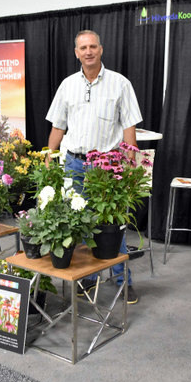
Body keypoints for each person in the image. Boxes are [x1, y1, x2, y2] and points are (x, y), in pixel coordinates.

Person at [45, 30, 141, 304]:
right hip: (75, 163)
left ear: (101, 49)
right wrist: (49, 155)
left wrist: (130, 164)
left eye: (93, 46)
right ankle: (88, 279)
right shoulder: (67, 85)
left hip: (107, 166)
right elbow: (58, 126)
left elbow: (129, 127)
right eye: (83, 47)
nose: (88, 51)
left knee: (113, 223)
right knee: (81, 222)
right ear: (76, 53)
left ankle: (123, 282)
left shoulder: (120, 84)